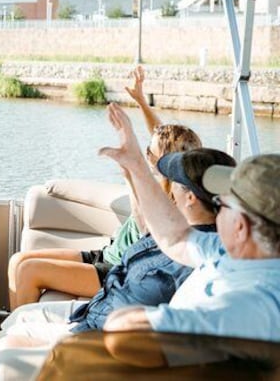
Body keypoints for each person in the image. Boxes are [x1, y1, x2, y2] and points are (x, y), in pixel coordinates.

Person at [0, 147, 232, 350]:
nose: (170, 191)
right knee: (19, 317)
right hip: (93, 312)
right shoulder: (179, 231)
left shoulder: (196, 255)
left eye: (177, 184)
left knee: (11, 340)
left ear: (190, 197)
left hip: (99, 333)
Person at [100, 103, 280, 341]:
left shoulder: (251, 304)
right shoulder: (229, 251)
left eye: (220, 205)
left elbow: (126, 332)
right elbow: (176, 237)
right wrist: (136, 164)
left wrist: (119, 317)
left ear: (240, 226)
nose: (215, 213)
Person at [7, 66, 173, 309]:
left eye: (150, 152)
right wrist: (141, 101)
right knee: (17, 261)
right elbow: (162, 136)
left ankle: (21, 336)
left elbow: (143, 223)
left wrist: (130, 172)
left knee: (29, 271)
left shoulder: (168, 199)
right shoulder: (160, 178)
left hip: (118, 271)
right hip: (107, 254)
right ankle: (14, 330)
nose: (147, 154)